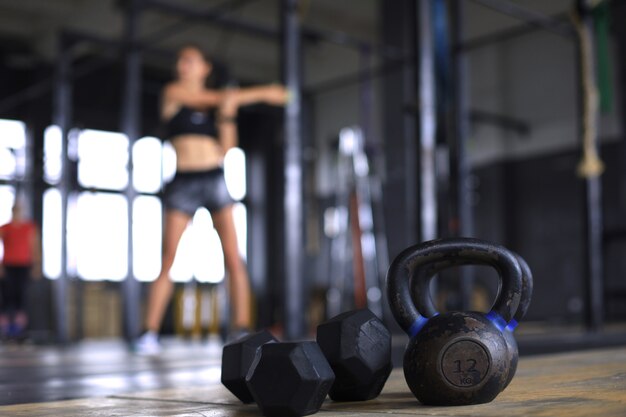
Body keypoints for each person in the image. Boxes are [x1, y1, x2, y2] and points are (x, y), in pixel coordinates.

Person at [134, 45, 288, 354]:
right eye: (180, 60)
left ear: (205, 68)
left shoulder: (218, 105)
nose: (182, 65)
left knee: (233, 256)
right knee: (168, 258)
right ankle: (148, 332)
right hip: (183, 181)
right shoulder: (173, 93)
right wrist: (264, 92)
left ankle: (241, 328)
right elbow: (211, 98)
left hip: (215, 178)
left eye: (190, 60)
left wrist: (229, 112)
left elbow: (227, 148)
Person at [0, 200, 40, 340]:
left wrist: (36, 265)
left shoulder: (29, 227)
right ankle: (6, 330)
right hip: (8, 266)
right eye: (15, 210)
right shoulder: (5, 228)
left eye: (20, 210)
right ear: (12, 211)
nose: (18, 212)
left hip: (24, 266)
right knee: (6, 298)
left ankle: (19, 331)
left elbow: (34, 246)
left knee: (21, 297)